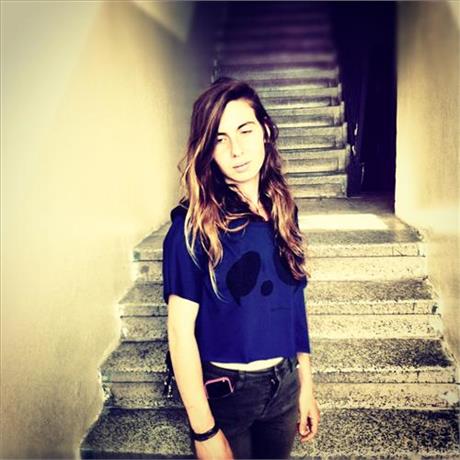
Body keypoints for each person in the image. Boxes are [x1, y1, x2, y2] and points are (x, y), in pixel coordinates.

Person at [162, 77, 320, 460]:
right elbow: (180, 333)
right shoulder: (191, 228)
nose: (236, 150)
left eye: (245, 130)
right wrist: (204, 430)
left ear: (264, 129)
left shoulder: (283, 209)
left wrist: (305, 384)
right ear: (207, 150)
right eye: (220, 139)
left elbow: (294, 302)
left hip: (284, 384)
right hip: (228, 392)